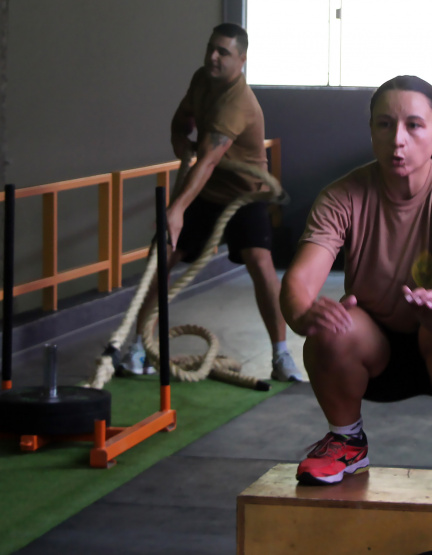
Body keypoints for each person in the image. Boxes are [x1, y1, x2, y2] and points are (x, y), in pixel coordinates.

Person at [279, 75, 432, 497]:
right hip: (377, 348)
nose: (397, 139)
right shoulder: (341, 196)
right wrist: (302, 312)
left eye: (413, 125)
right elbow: (299, 280)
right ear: (371, 131)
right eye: (384, 125)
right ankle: (346, 440)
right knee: (333, 324)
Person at [124, 23, 303, 382]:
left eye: (223, 52)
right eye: (210, 49)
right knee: (165, 256)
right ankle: (138, 349)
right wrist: (179, 137)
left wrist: (176, 210)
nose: (213, 57)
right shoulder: (202, 80)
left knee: (260, 262)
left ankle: (281, 357)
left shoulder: (238, 101)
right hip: (206, 191)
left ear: (242, 59)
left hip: (244, 194)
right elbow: (183, 119)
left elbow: (206, 160)